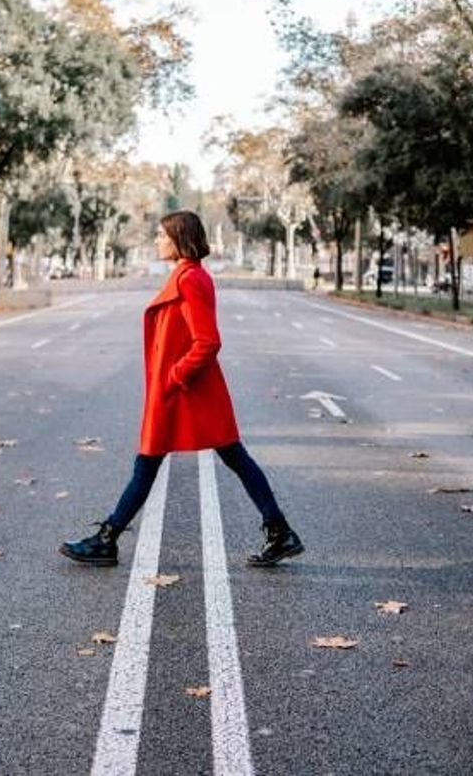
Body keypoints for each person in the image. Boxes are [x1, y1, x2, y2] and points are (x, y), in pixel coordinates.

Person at [60, 210, 304, 568]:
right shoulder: (187, 275)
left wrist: (174, 378)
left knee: (150, 464)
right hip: (189, 393)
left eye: (161, 235)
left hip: (186, 393)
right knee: (229, 458)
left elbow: (207, 341)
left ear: (179, 239)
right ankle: (280, 531)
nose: (157, 241)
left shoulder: (190, 279)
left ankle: (107, 540)